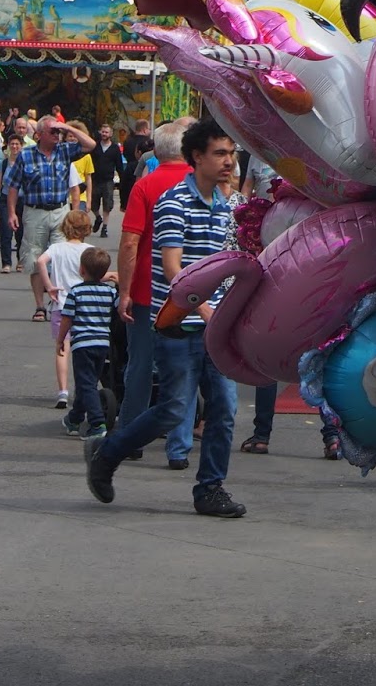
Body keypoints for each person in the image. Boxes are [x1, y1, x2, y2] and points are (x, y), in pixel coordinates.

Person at [86, 119, 246, 518]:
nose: (229, 162)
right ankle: (108, 453)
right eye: (220, 154)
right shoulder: (174, 203)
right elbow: (175, 271)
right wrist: (206, 308)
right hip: (177, 323)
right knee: (174, 409)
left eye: (232, 154)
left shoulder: (228, 206)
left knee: (224, 408)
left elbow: (228, 264)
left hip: (217, 327)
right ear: (197, 157)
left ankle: (210, 489)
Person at [114, 119, 190, 435]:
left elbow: (131, 241)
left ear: (156, 149)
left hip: (147, 287)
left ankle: (132, 428)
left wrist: (125, 290)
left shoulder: (145, 186)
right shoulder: (200, 183)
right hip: (189, 288)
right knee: (185, 364)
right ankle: (180, 434)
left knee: (141, 363)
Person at [3, 114, 95, 318]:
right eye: (53, 131)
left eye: (58, 131)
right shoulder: (26, 155)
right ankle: (39, 305)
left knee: (60, 256)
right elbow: (12, 186)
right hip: (35, 211)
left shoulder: (64, 151)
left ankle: (60, 303)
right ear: (39, 134)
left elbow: (90, 144)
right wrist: (11, 213)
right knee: (36, 259)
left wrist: (66, 126)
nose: (57, 135)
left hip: (60, 210)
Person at [36, 209, 95, 408]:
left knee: (62, 348)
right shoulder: (89, 250)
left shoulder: (57, 248)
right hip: (85, 305)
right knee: (86, 348)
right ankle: (84, 388)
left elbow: (40, 261)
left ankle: (62, 391)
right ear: (87, 229)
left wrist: (49, 285)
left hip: (61, 303)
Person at [59, 248, 120, 439]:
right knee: (89, 382)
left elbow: (67, 319)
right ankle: (75, 418)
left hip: (82, 344)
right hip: (103, 343)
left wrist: (61, 339)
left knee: (86, 384)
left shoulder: (76, 292)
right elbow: (118, 312)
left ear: (82, 270)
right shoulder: (110, 292)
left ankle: (96, 423)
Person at [0, 132, 26, 272]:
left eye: (17, 144)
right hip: (5, 199)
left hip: (22, 200)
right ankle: (6, 263)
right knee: (6, 231)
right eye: (12, 144)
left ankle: (20, 260)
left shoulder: (26, 163)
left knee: (21, 232)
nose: (14, 147)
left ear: (22, 146)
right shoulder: (2, 164)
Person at [90, 124, 121, 237]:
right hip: (95, 179)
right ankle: (98, 217)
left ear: (111, 134)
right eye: (103, 132)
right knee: (93, 204)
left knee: (107, 204)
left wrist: (121, 179)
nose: (104, 134)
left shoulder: (114, 149)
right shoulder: (95, 147)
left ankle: (105, 227)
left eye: (106, 132)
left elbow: (119, 165)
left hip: (108, 180)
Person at [120, 119, 152, 210]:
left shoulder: (128, 141)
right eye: (149, 129)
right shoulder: (149, 141)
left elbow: (125, 155)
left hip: (130, 172)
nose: (149, 131)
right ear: (144, 129)